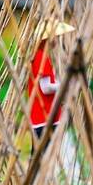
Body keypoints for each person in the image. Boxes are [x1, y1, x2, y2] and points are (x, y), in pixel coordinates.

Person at [28, 19, 75, 155]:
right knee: (44, 159)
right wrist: (64, 84)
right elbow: (46, 88)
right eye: (55, 37)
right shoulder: (42, 57)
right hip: (45, 117)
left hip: (38, 116)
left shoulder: (35, 56)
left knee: (38, 158)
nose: (57, 40)